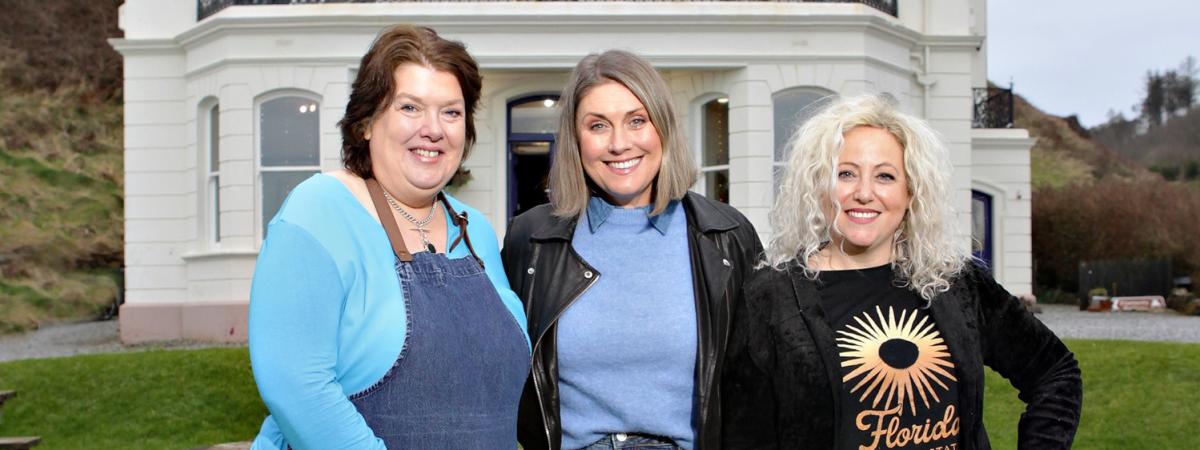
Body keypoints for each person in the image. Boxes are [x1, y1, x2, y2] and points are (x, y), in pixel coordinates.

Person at [721, 94, 1082, 449]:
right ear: (818, 188)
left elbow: (1056, 372)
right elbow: (741, 434)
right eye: (846, 173)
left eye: (885, 176)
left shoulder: (955, 283)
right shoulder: (769, 298)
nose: (864, 193)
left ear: (911, 192)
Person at [247, 25, 529, 450]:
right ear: (365, 122)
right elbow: (297, 387)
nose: (433, 129)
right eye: (410, 107)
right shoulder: (319, 211)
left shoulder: (476, 230)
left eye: (451, 112)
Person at [502, 50, 763, 450]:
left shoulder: (727, 236)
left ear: (663, 127)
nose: (619, 144)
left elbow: (758, 389)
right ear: (576, 139)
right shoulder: (531, 238)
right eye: (598, 126)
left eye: (637, 121)